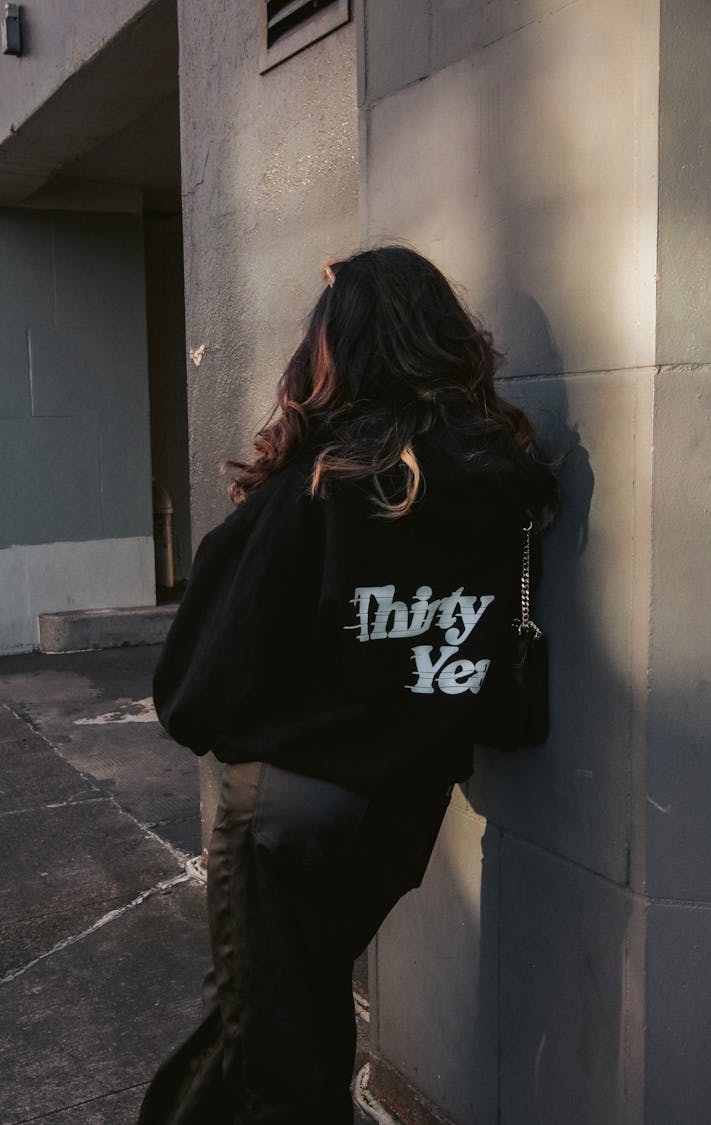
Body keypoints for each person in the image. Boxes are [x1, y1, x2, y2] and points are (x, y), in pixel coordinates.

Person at [137, 245, 558, 1125]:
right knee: (288, 1018)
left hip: (291, 817)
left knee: (271, 1058)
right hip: (402, 816)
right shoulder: (504, 483)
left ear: (338, 353)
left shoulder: (315, 493)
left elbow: (188, 691)